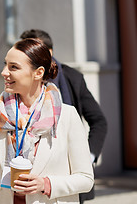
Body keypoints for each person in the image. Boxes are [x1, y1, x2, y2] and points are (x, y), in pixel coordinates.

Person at [0, 38, 94, 204]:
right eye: (5, 64)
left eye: (13, 67)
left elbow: (86, 179)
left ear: (38, 73)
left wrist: (46, 184)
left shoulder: (67, 116)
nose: (4, 72)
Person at [20, 29, 107, 203]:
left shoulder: (73, 78)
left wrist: (86, 158)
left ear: (49, 53)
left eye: (33, 52)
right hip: (30, 177)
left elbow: (99, 121)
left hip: (69, 176)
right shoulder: (18, 82)